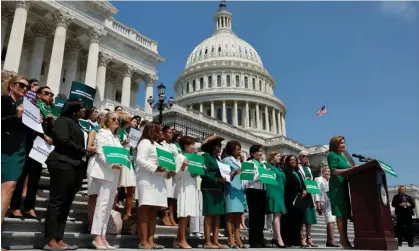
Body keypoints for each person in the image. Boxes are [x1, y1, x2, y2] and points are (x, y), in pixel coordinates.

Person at [44, 99, 93, 250]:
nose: (84, 111)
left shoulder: (77, 124)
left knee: (66, 204)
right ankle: (50, 239)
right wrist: (83, 151)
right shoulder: (62, 121)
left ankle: (59, 238)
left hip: (75, 166)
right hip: (62, 163)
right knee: (57, 202)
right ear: (74, 109)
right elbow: (63, 140)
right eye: (82, 108)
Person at [10, 86, 55, 221]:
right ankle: (15, 207)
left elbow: (49, 129)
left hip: (41, 147)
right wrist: (43, 134)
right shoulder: (31, 105)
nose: (49, 96)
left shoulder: (50, 111)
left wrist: (51, 123)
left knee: (35, 178)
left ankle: (30, 207)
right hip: (28, 142)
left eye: (51, 94)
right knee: (22, 175)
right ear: (39, 95)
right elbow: (30, 125)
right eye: (46, 93)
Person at [87, 112, 123, 249]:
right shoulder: (102, 132)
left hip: (113, 174)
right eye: (113, 119)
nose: (116, 121)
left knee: (108, 207)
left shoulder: (115, 137)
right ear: (107, 121)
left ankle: (103, 236)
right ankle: (96, 236)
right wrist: (111, 164)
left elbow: (119, 154)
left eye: (118, 120)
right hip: (104, 173)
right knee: (102, 205)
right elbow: (101, 152)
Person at [136, 122, 174, 249]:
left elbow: (165, 162)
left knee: (153, 211)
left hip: (159, 181)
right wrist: (156, 168)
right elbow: (140, 160)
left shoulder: (159, 145)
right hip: (147, 180)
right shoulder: (145, 142)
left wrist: (169, 171)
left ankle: (151, 240)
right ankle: (143, 241)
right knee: (145, 209)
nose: (161, 133)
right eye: (159, 130)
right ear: (153, 131)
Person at [1, 76, 29, 227]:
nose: (24, 88)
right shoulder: (4, 100)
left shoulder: (23, 106)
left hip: (16, 150)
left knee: (10, 187)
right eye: (21, 85)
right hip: (4, 148)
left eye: (27, 87)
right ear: (11, 85)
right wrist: (16, 116)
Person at [327, 136, 355, 249]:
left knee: (344, 214)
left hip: (344, 186)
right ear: (335, 144)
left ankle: (345, 238)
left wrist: (354, 168)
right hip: (336, 186)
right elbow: (334, 171)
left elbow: (348, 168)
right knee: (340, 213)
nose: (344, 145)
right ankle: (343, 239)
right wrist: (350, 170)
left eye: (344, 143)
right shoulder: (332, 155)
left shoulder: (342, 156)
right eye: (341, 143)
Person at [200, 135, 227, 249]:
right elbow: (203, 172)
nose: (220, 148)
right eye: (218, 145)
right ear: (212, 146)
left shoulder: (218, 159)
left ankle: (215, 241)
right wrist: (216, 179)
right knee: (209, 215)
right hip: (209, 188)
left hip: (219, 189)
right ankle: (207, 241)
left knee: (217, 216)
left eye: (220, 146)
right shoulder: (205, 156)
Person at [173, 136, 199, 249]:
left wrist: (199, 168)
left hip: (192, 186)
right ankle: (182, 240)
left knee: (187, 214)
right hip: (183, 186)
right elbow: (176, 175)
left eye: (193, 144)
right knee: (183, 214)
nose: (193, 147)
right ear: (185, 146)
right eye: (191, 144)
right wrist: (183, 166)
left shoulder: (193, 157)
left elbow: (194, 174)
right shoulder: (179, 156)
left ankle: (178, 239)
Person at [221, 141, 246, 248]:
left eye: (239, 149)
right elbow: (225, 176)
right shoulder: (226, 160)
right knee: (230, 215)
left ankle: (237, 237)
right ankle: (230, 238)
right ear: (231, 150)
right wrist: (234, 173)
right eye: (237, 149)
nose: (239, 151)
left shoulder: (239, 161)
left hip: (240, 189)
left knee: (238, 216)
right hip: (231, 188)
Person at [245, 145, 268, 248]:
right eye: (259, 151)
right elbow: (246, 180)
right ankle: (254, 241)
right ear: (252, 153)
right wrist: (259, 176)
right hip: (253, 190)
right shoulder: (248, 163)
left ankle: (260, 239)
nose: (261, 153)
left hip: (263, 191)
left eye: (261, 151)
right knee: (254, 217)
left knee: (261, 218)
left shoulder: (263, 165)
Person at [281, 155, 307, 247]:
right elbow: (289, 184)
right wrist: (301, 190)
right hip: (290, 197)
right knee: (289, 219)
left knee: (298, 220)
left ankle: (296, 240)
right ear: (287, 161)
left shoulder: (298, 172)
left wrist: (304, 190)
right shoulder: (286, 171)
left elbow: (302, 183)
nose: (293, 161)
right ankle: (287, 240)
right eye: (291, 160)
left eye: (294, 160)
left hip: (299, 198)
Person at [117, 113, 137, 221]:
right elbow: (116, 145)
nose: (132, 121)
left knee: (130, 187)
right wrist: (123, 142)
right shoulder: (119, 131)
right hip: (121, 160)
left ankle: (128, 213)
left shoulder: (125, 131)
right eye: (129, 119)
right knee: (119, 187)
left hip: (128, 161)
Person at [265, 152, 287, 248]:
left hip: (280, 192)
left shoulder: (279, 168)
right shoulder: (266, 166)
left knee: (278, 215)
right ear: (272, 157)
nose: (280, 157)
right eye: (278, 156)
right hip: (273, 191)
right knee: (277, 214)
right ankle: (278, 237)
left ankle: (275, 237)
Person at [315, 165, 339, 247]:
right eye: (326, 171)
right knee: (330, 220)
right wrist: (317, 203)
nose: (327, 173)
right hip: (324, 202)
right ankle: (332, 240)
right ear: (322, 172)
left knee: (331, 220)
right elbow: (317, 191)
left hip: (331, 202)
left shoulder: (330, 180)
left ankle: (329, 241)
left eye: (329, 171)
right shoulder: (318, 179)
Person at [298, 151, 318, 247]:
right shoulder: (298, 168)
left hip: (309, 194)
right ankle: (301, 238)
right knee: (302, 217)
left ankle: (309, 237)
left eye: (307, 156)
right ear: (300, 157)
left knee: (309, 217)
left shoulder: (309, 169)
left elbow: (312, 180)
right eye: (303, 156)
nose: (305, 157)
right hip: (301, 194)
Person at [161, 126, 179, 226]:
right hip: (165, 173)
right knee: (165, 194)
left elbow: (178, 158)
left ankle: (172, 216)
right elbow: (162, 158)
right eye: (169, 132)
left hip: (174, 173)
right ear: (163, 134)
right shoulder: (161, 144)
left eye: (171, 132)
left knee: (172, 196)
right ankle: (164, 215)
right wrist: (168, 170)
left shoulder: (174, 146)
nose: (171, 134)